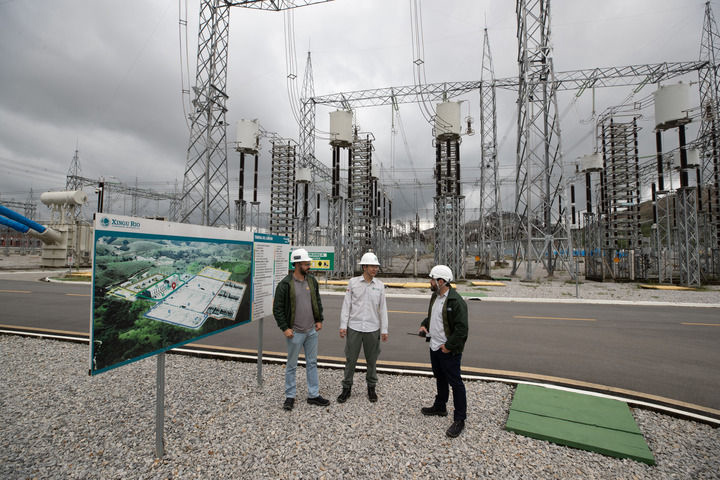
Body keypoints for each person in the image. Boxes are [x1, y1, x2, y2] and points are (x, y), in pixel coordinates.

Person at [273, 248, 330, 411]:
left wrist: (319, 319)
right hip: (295, 332)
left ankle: (313, 395)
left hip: (311, 331)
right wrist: (285, 328)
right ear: (297, 264)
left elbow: (317, 301)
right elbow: (277, 308)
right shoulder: (285, 285)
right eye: (306, 264)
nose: (309, 266)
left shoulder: (311, 281)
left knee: (312, 363)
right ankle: (290, 396)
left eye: (308, 263)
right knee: (292, 365)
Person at [418, 264, 468, 438]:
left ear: (441, 281)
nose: (430, 283)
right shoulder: (435, 297)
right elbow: (433, 317)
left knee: (456, 383)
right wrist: (424, 325)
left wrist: (448, 346)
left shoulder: (456, 302)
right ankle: (440, 406)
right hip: (434, 346)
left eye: (432, 280)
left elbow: (462, 330)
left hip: (448, 350)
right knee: (440, 377)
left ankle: (460, 419)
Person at [337, 251, 389, 404]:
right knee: (350, 360)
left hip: (372, 329)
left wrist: (384, 329)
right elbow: (346, 305)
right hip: (354, 327)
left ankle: (371, 387)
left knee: (372, 360)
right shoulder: (353, 283)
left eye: (376, 267)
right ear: (364, 267)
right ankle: (346, 388)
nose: (375, 269)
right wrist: (343, 325)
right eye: (372, 266)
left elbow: (383, 309)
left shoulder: (379, 286)